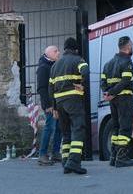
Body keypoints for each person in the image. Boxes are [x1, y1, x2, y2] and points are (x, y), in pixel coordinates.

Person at [49, 37, 89, 175]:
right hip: (73, 100)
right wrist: (82, 84)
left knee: (66, 133)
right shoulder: (78, 59)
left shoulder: (55, 65)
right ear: (75, 49)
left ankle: (66, 162)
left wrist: (54, 107)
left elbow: (51, 88)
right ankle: (74, 162)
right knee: (78, 129)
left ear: (65, 49)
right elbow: (86, 71)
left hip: (59, 102)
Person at [101, 36, 133, 167]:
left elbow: (103, 81)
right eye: (131, 45)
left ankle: (114, 157)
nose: (132, 48)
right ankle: (122, 157)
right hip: (125, 99)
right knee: (125, 127)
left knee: (116, 127)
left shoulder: (108, 64)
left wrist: (108, 93)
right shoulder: (127, 62)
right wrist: (111, 93)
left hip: (113, 100)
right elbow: (125, 81)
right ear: (128, 47)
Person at [36, 45, 61, 166]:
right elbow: (41, 88)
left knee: (59, 127)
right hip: (50, 104)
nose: (58, 53)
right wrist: (47, 105)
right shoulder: (43, 68)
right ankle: (42, 154)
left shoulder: (54, 65)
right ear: (48, 53)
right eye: (55, 51)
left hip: (57, 102)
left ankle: (56, 153)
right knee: (50, 127)